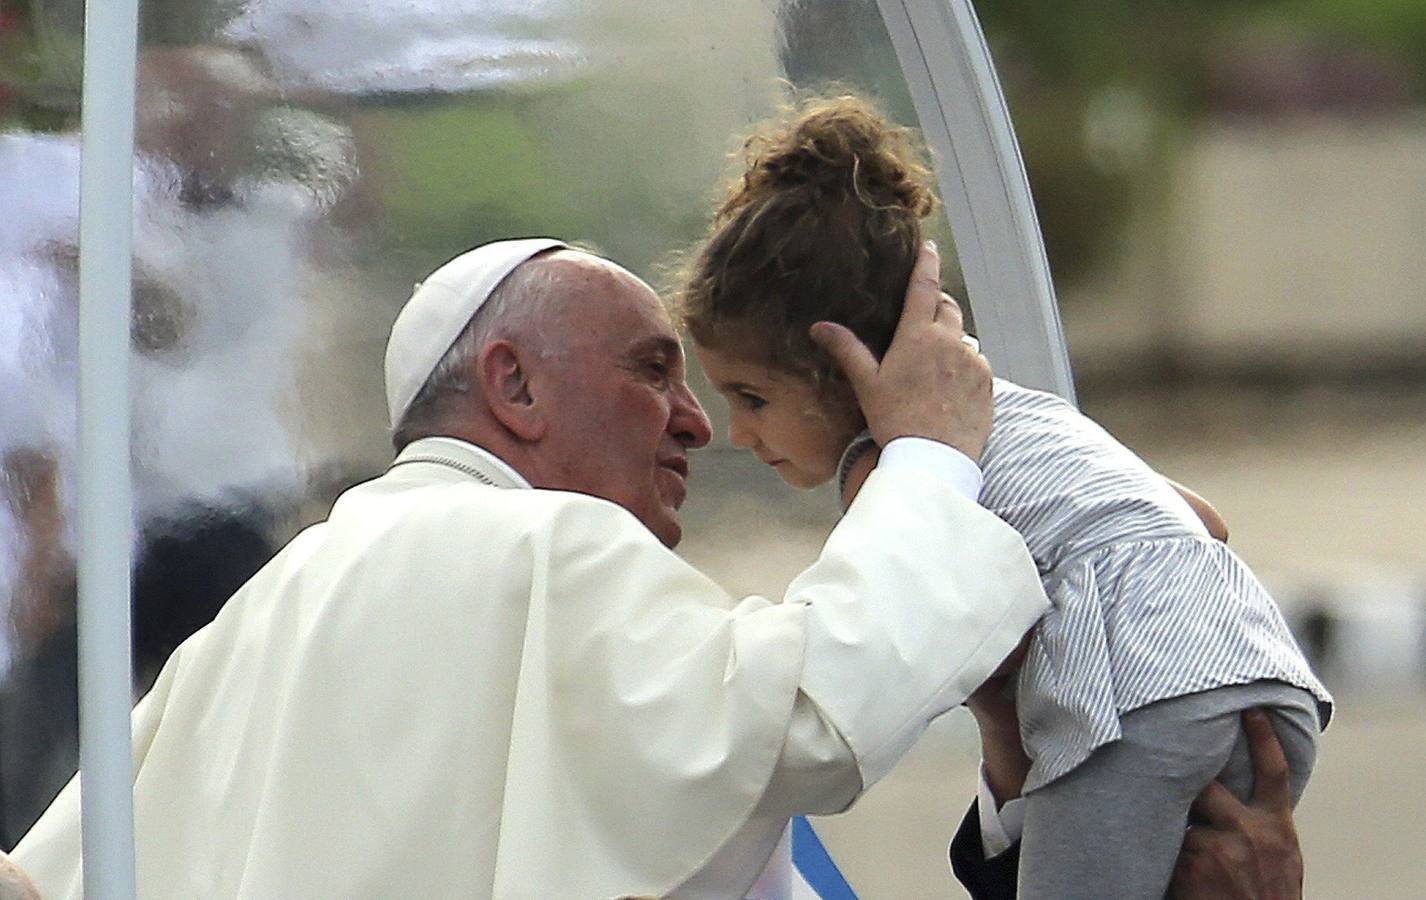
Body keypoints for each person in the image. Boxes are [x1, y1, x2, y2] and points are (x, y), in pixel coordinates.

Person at [14, 237, 1050, 897]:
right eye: (653, 371)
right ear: (512, 386)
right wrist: (925, 456)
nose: (695, 424)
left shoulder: (249, 620)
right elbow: (813, 716)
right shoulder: (543, 545)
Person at [675, 95, 1333, 898]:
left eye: (752, 397)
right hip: (1258, 674)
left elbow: (860, 663)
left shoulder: (898, 474)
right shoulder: (1027, 413)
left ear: (845, 367)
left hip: (1129, 706)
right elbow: (1204, 521)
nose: (737, 433)